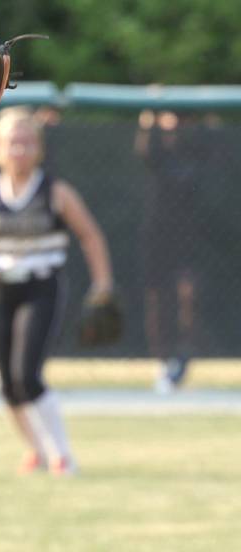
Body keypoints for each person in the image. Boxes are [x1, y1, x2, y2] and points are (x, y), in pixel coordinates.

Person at [0, 107, 113, 476]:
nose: (18, 150)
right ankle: (36, 450)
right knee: (6, 384)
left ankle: (62, 455)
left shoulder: (55, 192)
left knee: (27, 375)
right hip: (1, 287)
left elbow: (90, 235)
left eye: (26, 142)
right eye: (11, 142)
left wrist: (102, 283)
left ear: (38, 148)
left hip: (41, 285)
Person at [135, 109, 201, 394]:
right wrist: (150, 118)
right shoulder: (156, 158)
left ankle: (183, 356)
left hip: (192, 238)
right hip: (156, 237)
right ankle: (164, 361)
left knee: (188, 294)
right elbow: (145, 149)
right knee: (157, 298)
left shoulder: (195, 154)